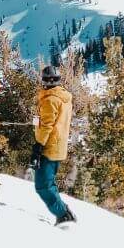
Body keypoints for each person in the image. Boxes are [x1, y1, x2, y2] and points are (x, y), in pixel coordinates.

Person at [27, 65, 76, 226]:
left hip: (49, 146)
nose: (49, 82)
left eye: (50, 80)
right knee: (49, 183)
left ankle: (63, 214)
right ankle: (64, 212)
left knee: (42, 186)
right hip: (58, 146)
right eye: (48, 79)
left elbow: (46, 125)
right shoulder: (64, 97)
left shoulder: (50, 100)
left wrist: (38, 146)